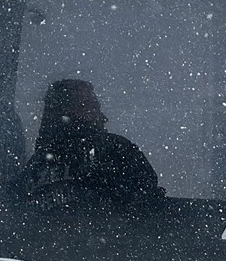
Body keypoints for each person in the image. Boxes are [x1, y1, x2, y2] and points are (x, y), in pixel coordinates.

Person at [16, 79, 161, 210]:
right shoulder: (115, 150)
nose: (103, 117)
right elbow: (147, 201)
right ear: (68, 111)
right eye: (91, 106)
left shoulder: (34, 168)